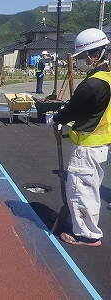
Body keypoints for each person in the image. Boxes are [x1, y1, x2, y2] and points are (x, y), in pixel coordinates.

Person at [46, 28, 111, 247]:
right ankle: (74, 219)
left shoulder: (93, 85)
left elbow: (72, 109)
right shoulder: (106, 78)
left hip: (87, 146)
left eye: (82, 57)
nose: (80, 61)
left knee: (81, 190)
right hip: (99, 143)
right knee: (87, 188)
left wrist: (56, 119)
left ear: (95, 55)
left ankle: (87, 235)